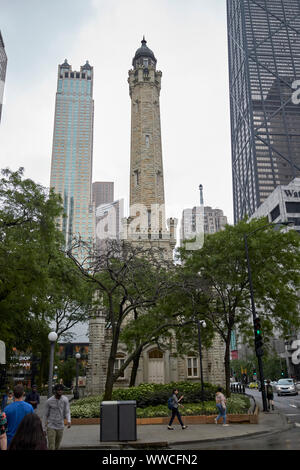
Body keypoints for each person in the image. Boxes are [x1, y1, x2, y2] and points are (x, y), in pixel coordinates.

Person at [43, 383, 71, 450]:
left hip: (60, 426)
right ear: (55, 391)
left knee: (57, 446)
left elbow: (67, 411)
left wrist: (69, 420)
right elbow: (45, 415)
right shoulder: (49, 401)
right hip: (51, 426)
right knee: (51, 446)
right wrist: (43, 428)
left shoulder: (65, 400)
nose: (60, 391)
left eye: (61, 390)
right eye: (58, 390)